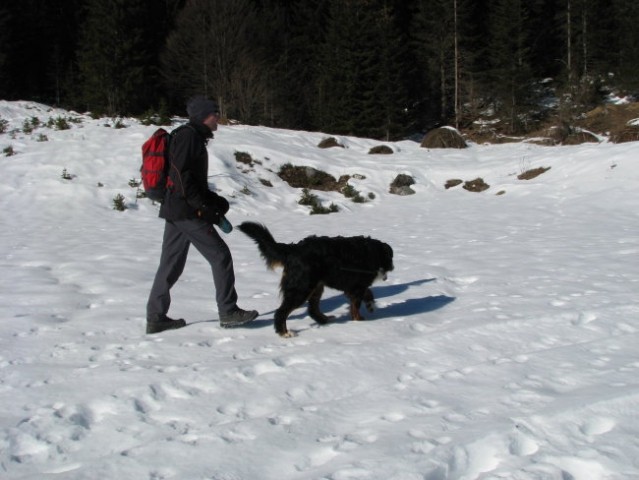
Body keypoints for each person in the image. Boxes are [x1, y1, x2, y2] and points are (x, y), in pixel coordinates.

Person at [146, 96, 258, 334]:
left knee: (170, 265)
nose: (218, 117)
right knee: (220, 256)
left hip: (177, 209)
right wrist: (206, 207)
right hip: (186, 211)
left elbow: (188, 181)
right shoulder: (188, 138)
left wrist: (212, 202)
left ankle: (156, 317)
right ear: (204, 116)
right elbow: (182, 179)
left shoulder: (192, 136)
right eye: (214, 113)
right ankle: (228, 311)